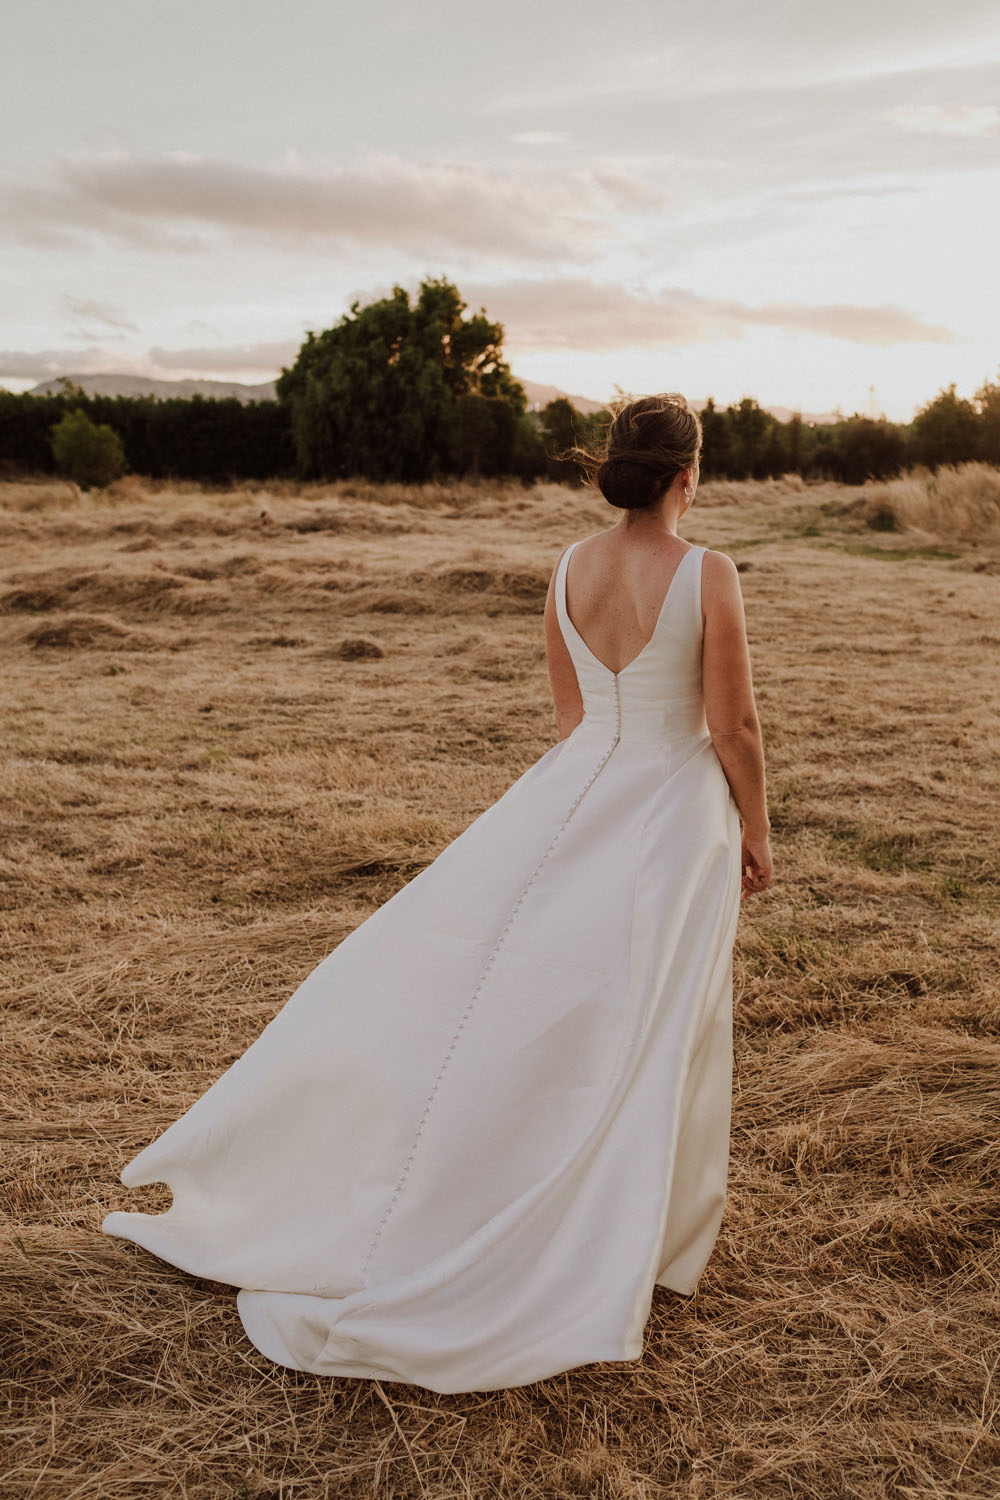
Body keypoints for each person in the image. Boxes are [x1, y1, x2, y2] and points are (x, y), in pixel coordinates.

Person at [101, 392, 772, 1395]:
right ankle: (601, 1230)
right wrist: (756, 827)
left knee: (512, 996)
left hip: (571, 794)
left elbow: (567, 716)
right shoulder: (707, 572)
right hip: (673, 817)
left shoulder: (567, 568)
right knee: (645, 1022)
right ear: (690, 473)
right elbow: (734, 728)